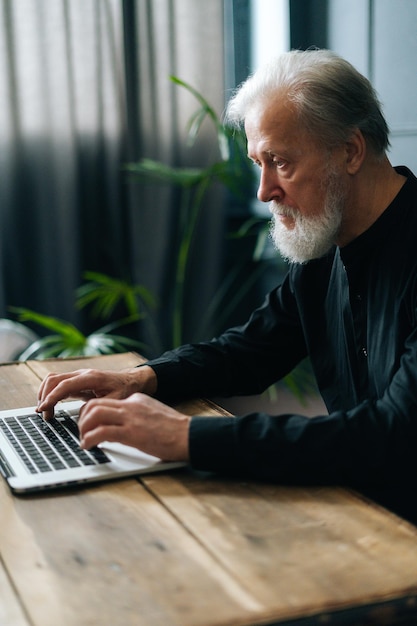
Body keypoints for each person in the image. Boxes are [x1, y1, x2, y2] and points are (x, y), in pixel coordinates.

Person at [37, 49, 417, 524]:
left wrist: (186, 437)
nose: (264, 191)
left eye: (280, 162)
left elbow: (398, 435)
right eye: (260, 162)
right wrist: (143, 378)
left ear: (351, 151)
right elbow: (252, 350)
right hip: (363, 507)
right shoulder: (327, 244)